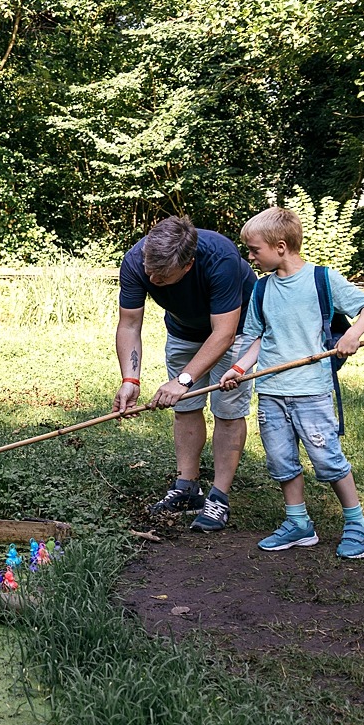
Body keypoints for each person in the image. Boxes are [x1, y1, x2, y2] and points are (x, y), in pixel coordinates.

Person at [218, 206, 364, 558]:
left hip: (312, 391)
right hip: (272, 392)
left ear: (280, 247)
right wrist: (239, 369)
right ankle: (299, 523)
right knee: (281, 461)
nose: (249, 257)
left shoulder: (322, 279)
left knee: (328, 461)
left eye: (254, 249)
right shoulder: (262, 290)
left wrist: (352, 335)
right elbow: (258, 337)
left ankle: (357, 523)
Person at [114, 215, 255, 532]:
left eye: (162, 278)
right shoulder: (138, 261)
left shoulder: (221, 258)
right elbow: (130, 324)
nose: (151, 278)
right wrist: (130, 379)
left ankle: (218, 496)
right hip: (183, 331)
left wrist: (183, 380)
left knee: (227, 410)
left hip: (237, 330)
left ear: (188, 265)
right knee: (185, 407)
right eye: (149, 270)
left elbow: (224, 333)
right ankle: (187, 488)